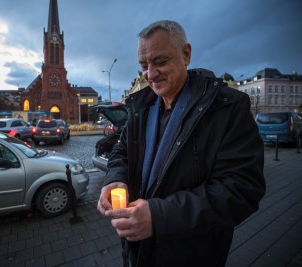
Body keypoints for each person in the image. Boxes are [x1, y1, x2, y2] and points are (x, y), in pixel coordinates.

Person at [97, 20, 265, 267]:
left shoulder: (227, 108)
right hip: (137, 251)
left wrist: (158, 217)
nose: (150, 74)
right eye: (144, 66)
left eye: (160, 62)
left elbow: (242, 189)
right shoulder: (141, 108)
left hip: (191, 254)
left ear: (186, 54)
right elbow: (122, 150)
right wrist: (115, 178)